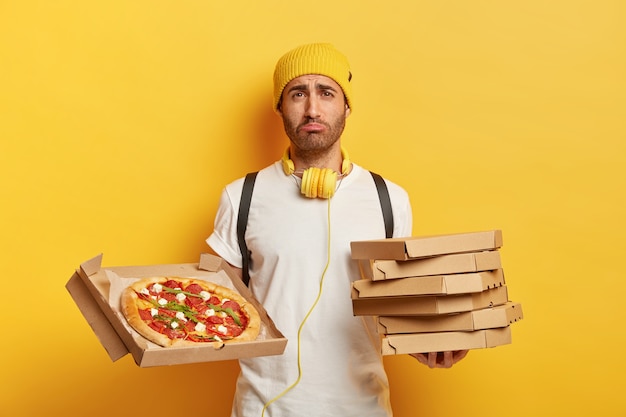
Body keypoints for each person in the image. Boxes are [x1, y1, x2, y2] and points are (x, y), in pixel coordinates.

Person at [207, 43, 467, 417]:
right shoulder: (240, 197)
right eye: (298, 93)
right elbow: (217, 308)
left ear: (346, 105)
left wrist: (433, 342)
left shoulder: (389, 199)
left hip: (363, 407)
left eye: (326, 93)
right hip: (263, 408)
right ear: (281, 107)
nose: (312, 108)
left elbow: (401, 306)